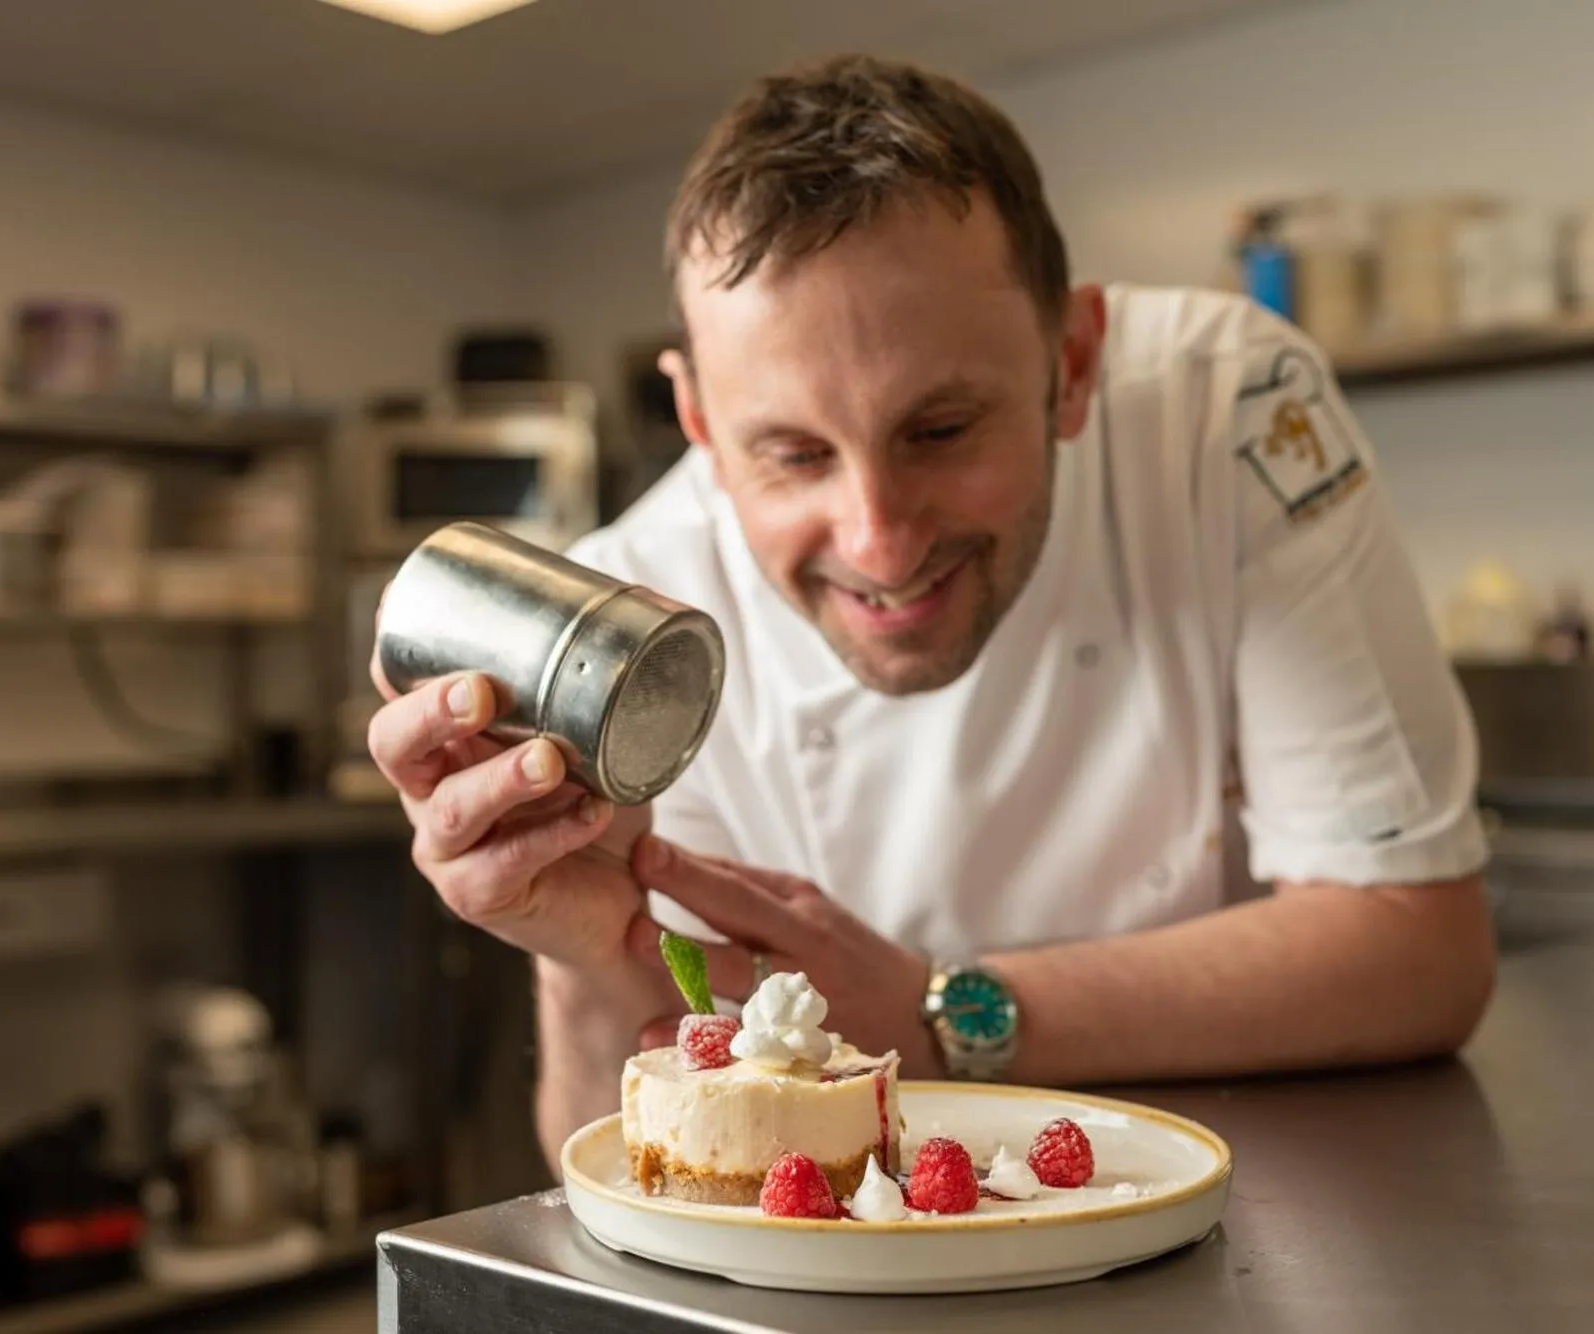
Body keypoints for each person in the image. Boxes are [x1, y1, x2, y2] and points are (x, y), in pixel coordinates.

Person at [367, 54, 1496, 1164]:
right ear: (700, 421)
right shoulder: (631, 626)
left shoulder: (1222, 408)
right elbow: (616, 1159)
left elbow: (1415, 951)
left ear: (1074, 362)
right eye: (794, 453)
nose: (879, 541)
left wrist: (939, 1014)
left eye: (940, 430)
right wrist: (576, 950)